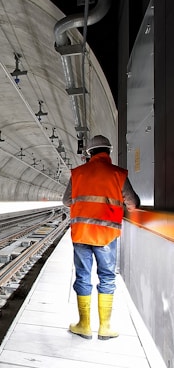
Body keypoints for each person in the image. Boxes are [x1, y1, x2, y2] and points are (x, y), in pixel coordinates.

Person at [62, 134, 140, 340]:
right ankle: (105, 327)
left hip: (81, 234)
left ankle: (84, 325)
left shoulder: (77, 173)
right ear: (109, 151)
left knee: (83, 275)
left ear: (89, 153)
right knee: (106, 276)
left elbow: (66, 200)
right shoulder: (118, 174)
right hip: (106, 235)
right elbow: (132, 203)